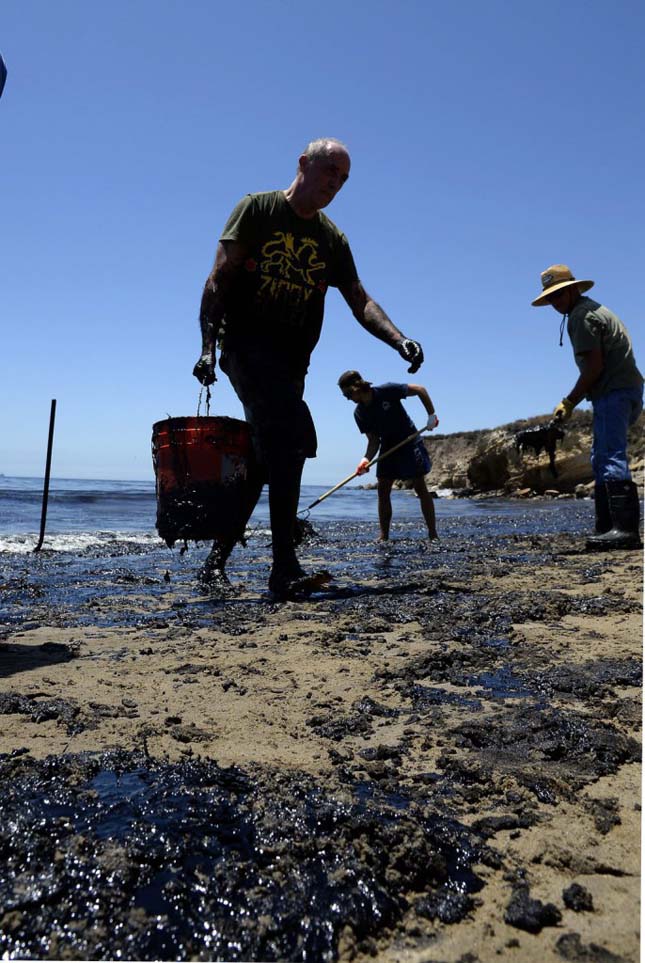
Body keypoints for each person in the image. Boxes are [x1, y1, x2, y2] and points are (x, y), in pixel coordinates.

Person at [193, 138, 425, 597]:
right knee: (290, 437)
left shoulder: (331, 239)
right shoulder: (256, 210)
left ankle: (214, 563)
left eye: (342, 180)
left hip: (291, 361)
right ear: (303, 164)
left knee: (266, 460)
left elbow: (360, 300)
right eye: (328, 173)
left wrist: (399, 339)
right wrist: (206, 347)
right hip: (244, 347)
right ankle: (284, 568)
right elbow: (219, 278)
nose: (334, 185)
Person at [532, 264, 643, 550]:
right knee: (600, 456)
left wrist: (569, 402)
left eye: (558, 296)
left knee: (609, 456)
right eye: (551, 298)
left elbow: (594, 367)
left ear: (572, 290)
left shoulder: (580, 317)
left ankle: (625, 531)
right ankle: (607, 526)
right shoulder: (592, 309)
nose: (555, 304)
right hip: (626, 389)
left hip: (614, 392)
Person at [338, 370, 439, 541]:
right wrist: (365, 460)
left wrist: (431, 415)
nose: (347, 399)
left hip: (408, 440)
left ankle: (433, 534)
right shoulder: (359, 413)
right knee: (383, 489)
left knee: (419, 486)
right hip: (387, 445)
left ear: (355, 388)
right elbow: (373, 441)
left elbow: (420, 389)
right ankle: (384, 536)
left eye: (347, 394)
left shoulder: (387, 390)